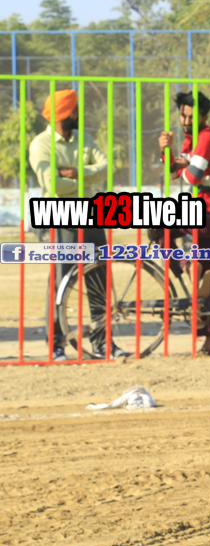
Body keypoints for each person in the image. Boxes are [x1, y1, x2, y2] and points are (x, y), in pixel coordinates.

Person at [27, 89, 124, 360]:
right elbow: (52, 184)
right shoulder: (41, 144)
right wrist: (87, 180)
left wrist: (78, 173)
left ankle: (103, 343)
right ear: (64, 114)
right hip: (61, 215)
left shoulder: (85, 139)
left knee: (99, 279)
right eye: (75, 110)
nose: (79, 114)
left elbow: (106, 168)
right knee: (62, 281)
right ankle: (56, 344)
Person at [154, 90, 210, 355]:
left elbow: (192, 176)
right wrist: (166, 151)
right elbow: (174, 172)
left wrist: (183, 165)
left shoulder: (207, 137)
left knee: (157, 227)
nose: (186, 121)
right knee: (207, 284)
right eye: (183, 116)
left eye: (191, 116)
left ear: (204, 116)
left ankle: (187, 266)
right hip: (209, 214)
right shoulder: (192, 140)